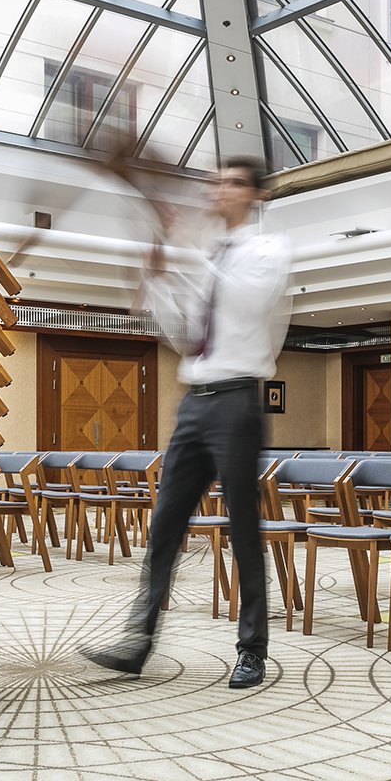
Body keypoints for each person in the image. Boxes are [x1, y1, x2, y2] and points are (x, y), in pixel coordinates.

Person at [83, 156, 291, 689]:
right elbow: (185, 335)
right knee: (164, 525)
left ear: (257, 196)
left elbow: (242, 304)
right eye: (217, 181)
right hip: (195, 402)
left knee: (243, 529)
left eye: (234, 183)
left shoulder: (268, 251)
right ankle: (138, 642)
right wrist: (156, 281)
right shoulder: (208, 257)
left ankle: (252, 651)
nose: (220, 190)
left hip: (238, 402)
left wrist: (184, 245)